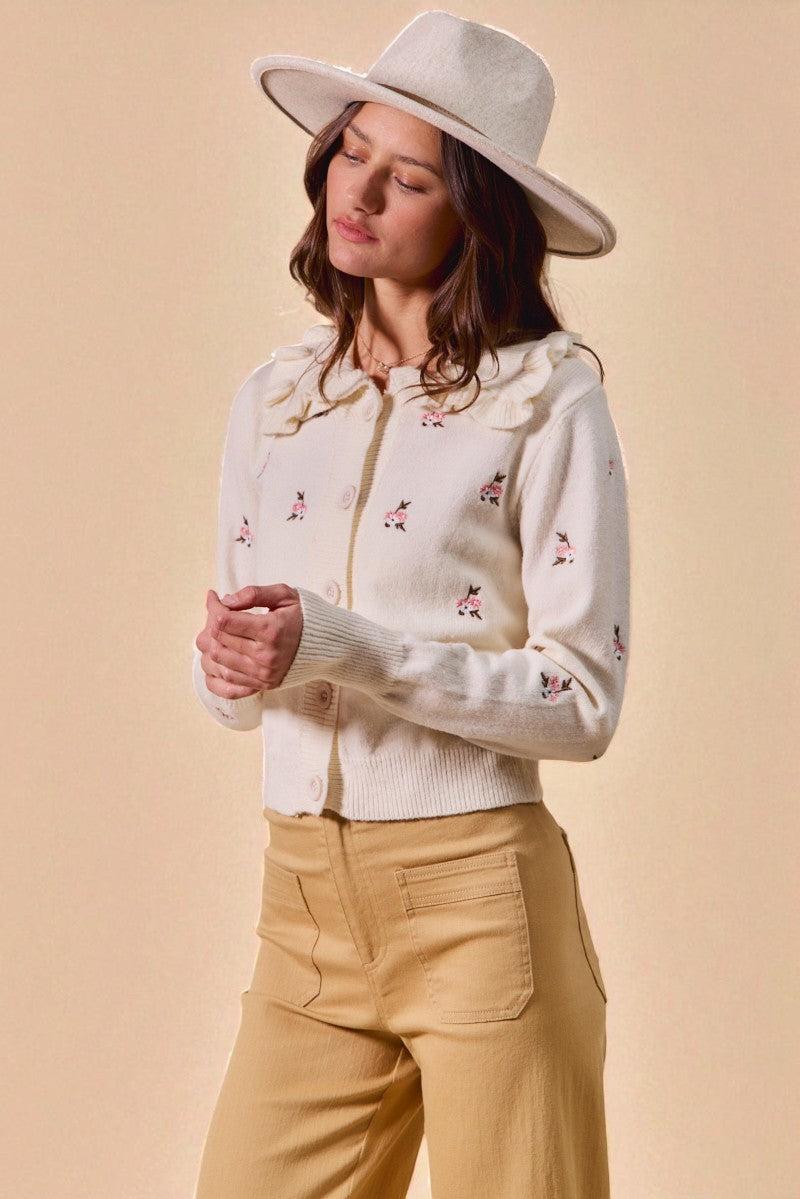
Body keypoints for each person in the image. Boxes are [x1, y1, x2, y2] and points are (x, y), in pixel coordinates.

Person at [191, 11, 630, 1198]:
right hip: (301, 909)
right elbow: (241, 688)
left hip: (477, 901)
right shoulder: (278, 400)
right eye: (351, 152)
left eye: (410, 176)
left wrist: (345, 646)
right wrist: (232, 663)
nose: (361, 192)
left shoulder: (544, 399)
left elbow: (582, 701)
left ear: (473, 212)